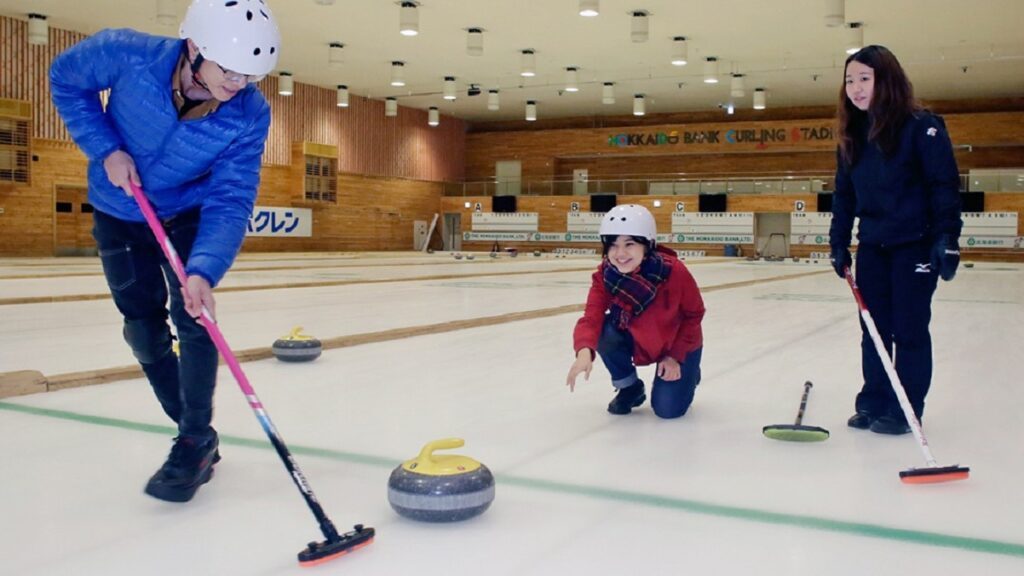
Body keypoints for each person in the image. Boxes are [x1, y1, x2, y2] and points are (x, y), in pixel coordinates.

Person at [49, 0, 280, 501]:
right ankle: (195, 430)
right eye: (230, 70)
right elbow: (66, 78)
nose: (239, 83)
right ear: (194, 48)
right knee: (143, 330)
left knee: (196, 319)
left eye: (251, 74)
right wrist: (106, 149)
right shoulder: (125, 52)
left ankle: (193, 440)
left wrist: (204, 270)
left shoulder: (249, 112)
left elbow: (233, 194)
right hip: (119, 206)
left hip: (188, 211)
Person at [829, 45, 962, 435]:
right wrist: (839, 242)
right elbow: (844, 194)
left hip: (914, 246)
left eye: (864, 79)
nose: (855, 88)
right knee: (874, 330)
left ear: (886, 80)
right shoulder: (853, 135)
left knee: (908, 331)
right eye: (850, 80)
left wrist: (947, 238)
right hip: (873, 247)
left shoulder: (923, 126)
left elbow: (944, 185)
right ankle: (874, 400)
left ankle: (906, 407)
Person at [566, 205, 705, 418]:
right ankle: (630, 388)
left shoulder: (674, 272)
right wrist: (584, 351)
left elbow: (694, 314)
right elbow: (591, 317)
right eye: (613, 245)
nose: (620, 254)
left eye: (629, 244)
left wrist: (675, 357)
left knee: (667, 411)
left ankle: (690, 372)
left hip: (677, 345)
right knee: (603, 331)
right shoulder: (605, 276)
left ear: (647, 245)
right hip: (639, 339)